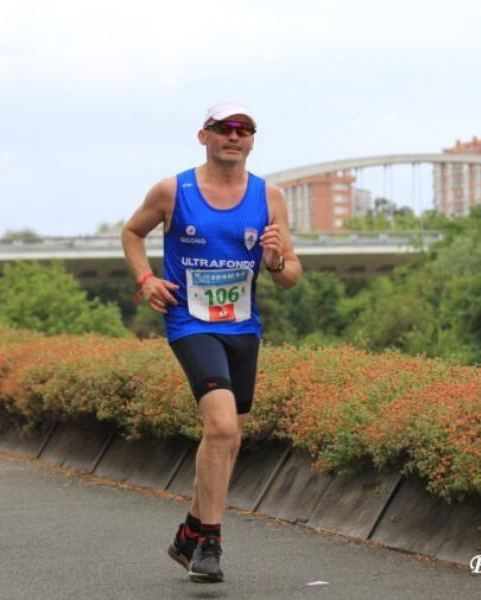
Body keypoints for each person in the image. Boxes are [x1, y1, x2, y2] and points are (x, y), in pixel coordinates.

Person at [121, 101, 301, 583]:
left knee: (228, 437)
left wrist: (277, 262)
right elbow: (132, 232)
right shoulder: (172, 190)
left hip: (243, 328)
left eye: (245, 130)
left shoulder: (270, 196)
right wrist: (146, 280)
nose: (234, 136)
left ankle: (188, 534)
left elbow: (291, 275)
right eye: (224, 129)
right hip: (190, 322)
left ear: (253, 141)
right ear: (204, 136)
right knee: (221, 427)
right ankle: (210, 545)